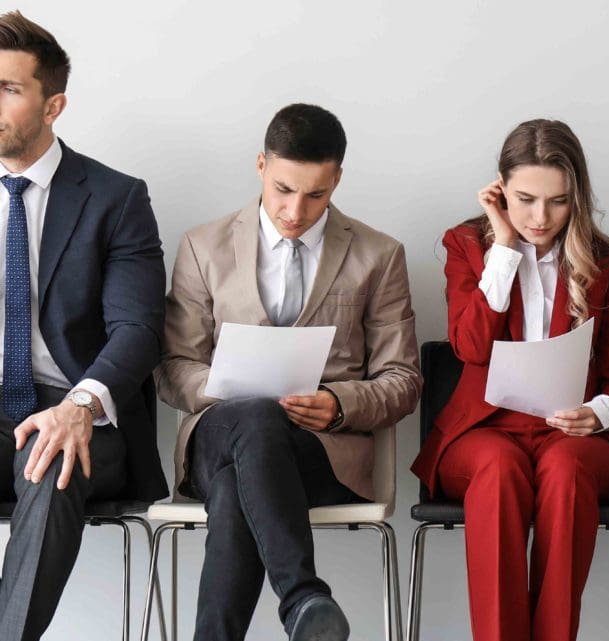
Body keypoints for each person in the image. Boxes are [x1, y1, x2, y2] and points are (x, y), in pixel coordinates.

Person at [157, 103, 421, 641]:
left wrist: (340, 402)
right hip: (218, 437)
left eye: (315, 194)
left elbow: (403, 378)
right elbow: (172, 365)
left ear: (337, 180)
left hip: (321, 452)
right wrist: (223, 386)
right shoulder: (202, 246)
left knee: (237, 487)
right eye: (282, 189)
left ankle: (301, 605)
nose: (295, 210)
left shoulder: (378, 254)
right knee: (252, 419)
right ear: (260, 166)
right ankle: (302, 597)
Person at [411, 118, 609, 641]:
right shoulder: (466, 245)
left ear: (577, 196)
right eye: (525, 199)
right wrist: (504, 244)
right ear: (499, 189)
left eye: (558, 201)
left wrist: (598, 413)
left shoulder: (606, 259)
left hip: (576, 435)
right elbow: (469, 347)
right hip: (484, 433)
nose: (541, 217)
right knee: (497, 470)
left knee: (564, 472)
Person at [0, 11, 167, 640]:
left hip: (73, 409)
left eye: (9, 89)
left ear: (53, 105)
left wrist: (78, 405)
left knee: (51, 460)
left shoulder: (115, 197)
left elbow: (138, 328)